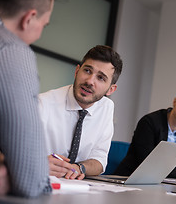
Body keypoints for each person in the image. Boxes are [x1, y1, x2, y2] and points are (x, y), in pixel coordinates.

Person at [0, 0, 68, 197]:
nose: (39, 34)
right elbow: (30, 182)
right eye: (44, 25)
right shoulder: (11, 51)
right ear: (29, 18)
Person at [39, 45, 122, 180]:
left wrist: (79, 168)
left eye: (101, 78)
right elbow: (8, 151)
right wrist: (37, 163)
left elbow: (100, 160)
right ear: (77, 71)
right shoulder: (42, 104)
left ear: (111, 89)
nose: (89, 81)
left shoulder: (106, 107)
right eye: (87, 71)